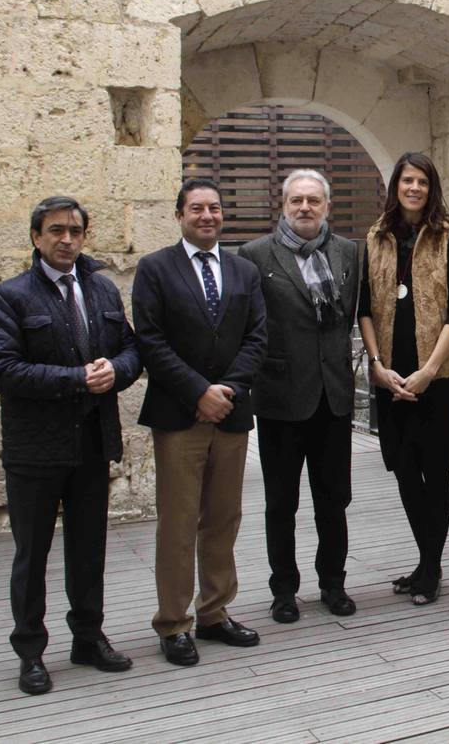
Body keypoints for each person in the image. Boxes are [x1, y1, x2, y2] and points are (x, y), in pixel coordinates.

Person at [0, 196, 143, 695]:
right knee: (32, 555)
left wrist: (115, 370)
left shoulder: (101, 288)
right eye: (56, 230)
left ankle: (88, 638)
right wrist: (77, 378)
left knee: (89, 549)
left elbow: (131, 349)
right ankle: (30, 651)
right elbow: (2, 370)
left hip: (92, 443)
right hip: (35, 449)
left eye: (75, 231)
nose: (66, 240)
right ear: (36, 237)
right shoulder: (10, 296)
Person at [132, 179, 267, 666]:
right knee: (178, 521)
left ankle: (214, 612)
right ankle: (174, 623)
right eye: (196, 208)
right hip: (180, 414)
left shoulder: (243, 270)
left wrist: (226, 390)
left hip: (230, 413)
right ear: (179, 215)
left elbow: (257, 336)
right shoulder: (154, 269)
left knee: (224, 518)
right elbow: (150, 340)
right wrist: (198, 392)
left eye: (214, 208)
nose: (206, 216)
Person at [240, 169, 362, 624]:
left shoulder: (348, 252)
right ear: (284, 205)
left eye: (313, 200)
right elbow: (249, 324)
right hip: (280, 398)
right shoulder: (255, 255)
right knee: (281, 504)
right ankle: (284, 591)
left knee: (334, 500)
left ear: (327, 206)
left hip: (333, 397)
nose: (305, 208)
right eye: (296, 200)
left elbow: (353, 314)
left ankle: (333, 583)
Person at [358, 152, 449, 606]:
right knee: (404, 470)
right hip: (390, 378)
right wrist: (377, 365)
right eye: (407, 180)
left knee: (434, 472)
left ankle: (431, 569)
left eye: (422, 181)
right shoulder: (375, 237)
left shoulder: (447, 238)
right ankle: (426, 562)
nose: (414, 188)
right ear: (396, 186)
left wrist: (428, 371)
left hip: (435, 377)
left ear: (431, 187)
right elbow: (364, 308)